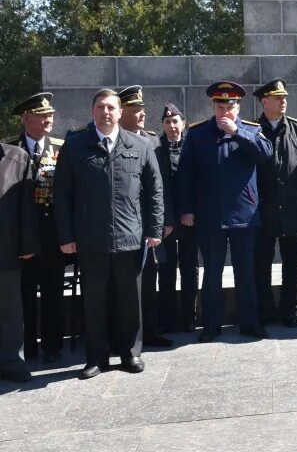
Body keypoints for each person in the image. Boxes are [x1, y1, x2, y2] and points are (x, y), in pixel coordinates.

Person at [54, 89, 164, 379]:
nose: (106, 113)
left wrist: (154, 229)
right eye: (101, 107)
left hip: (131, 237)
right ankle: (96, 357)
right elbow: (62, 195)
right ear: (92, 112)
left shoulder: (139, 146)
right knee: (94, 302)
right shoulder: (75, 146)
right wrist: (66, 236)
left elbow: (154, 190)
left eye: (111, 108)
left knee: (130, 301)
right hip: (91, 240)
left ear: (120, 112)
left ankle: (130, 354)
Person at [178, 81, 273, 343]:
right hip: (210, 215)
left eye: (229, 107)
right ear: (213, 106)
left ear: (238, 107)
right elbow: (185, 174)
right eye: (220, 107)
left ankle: (250, 323)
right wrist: (186, 209)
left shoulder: (252, 130)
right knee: (212, 273)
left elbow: (266, 154)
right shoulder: (198, 134)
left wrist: (237, 133)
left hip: (244, 214)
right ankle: (211, 325)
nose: (224, 112)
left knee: (246, 273)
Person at [6, 92, 66, 363]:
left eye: (50, 114)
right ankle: (27, 346)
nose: (48, 119)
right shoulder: (9, 149)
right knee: (24, 293)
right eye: (41, 115)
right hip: (20, 237)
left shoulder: (63, 147)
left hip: (52, 234)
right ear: (25, 118)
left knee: (53, 291)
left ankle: (53, 347)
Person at [252, 79, 297, 328]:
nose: (283, 101)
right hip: (262, 211)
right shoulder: (252, 129)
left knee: (293, 265)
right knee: (261, 265)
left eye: (284, 97)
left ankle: (290, 311)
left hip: (292, 209)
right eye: (277, 97)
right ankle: (265, 311)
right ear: (264, 101)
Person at [117, 85, 172, 347]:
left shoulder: (152, 141)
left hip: (148, 225)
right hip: (121, 225)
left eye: (142, 109)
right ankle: (123, 336)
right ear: (121, 113)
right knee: (124, 284)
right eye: (135, 109)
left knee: (150, 280)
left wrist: (163, 221)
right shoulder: (114, 139)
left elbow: (162, 186)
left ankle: (150, 331)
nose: (141, 114)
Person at [155, 103, 199, 332]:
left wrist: (190, 212)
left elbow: (197, 185)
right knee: (166, 270)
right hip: (167, 223)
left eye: (175, 121)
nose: (172, 126)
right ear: (162, 125)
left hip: (190, 221)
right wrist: (166, 220)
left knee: (189, 268)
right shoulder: (156, 149)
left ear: (183, 123)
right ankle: (167, 318)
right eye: (167, 122)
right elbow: (158, 190)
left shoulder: (192, 147)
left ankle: (189, 318)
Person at [0, 142, 39, 382]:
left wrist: (28, 243)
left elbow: (28, 204)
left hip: (6, 248)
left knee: (10, 309)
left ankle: (11, 361)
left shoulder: (17, 157)